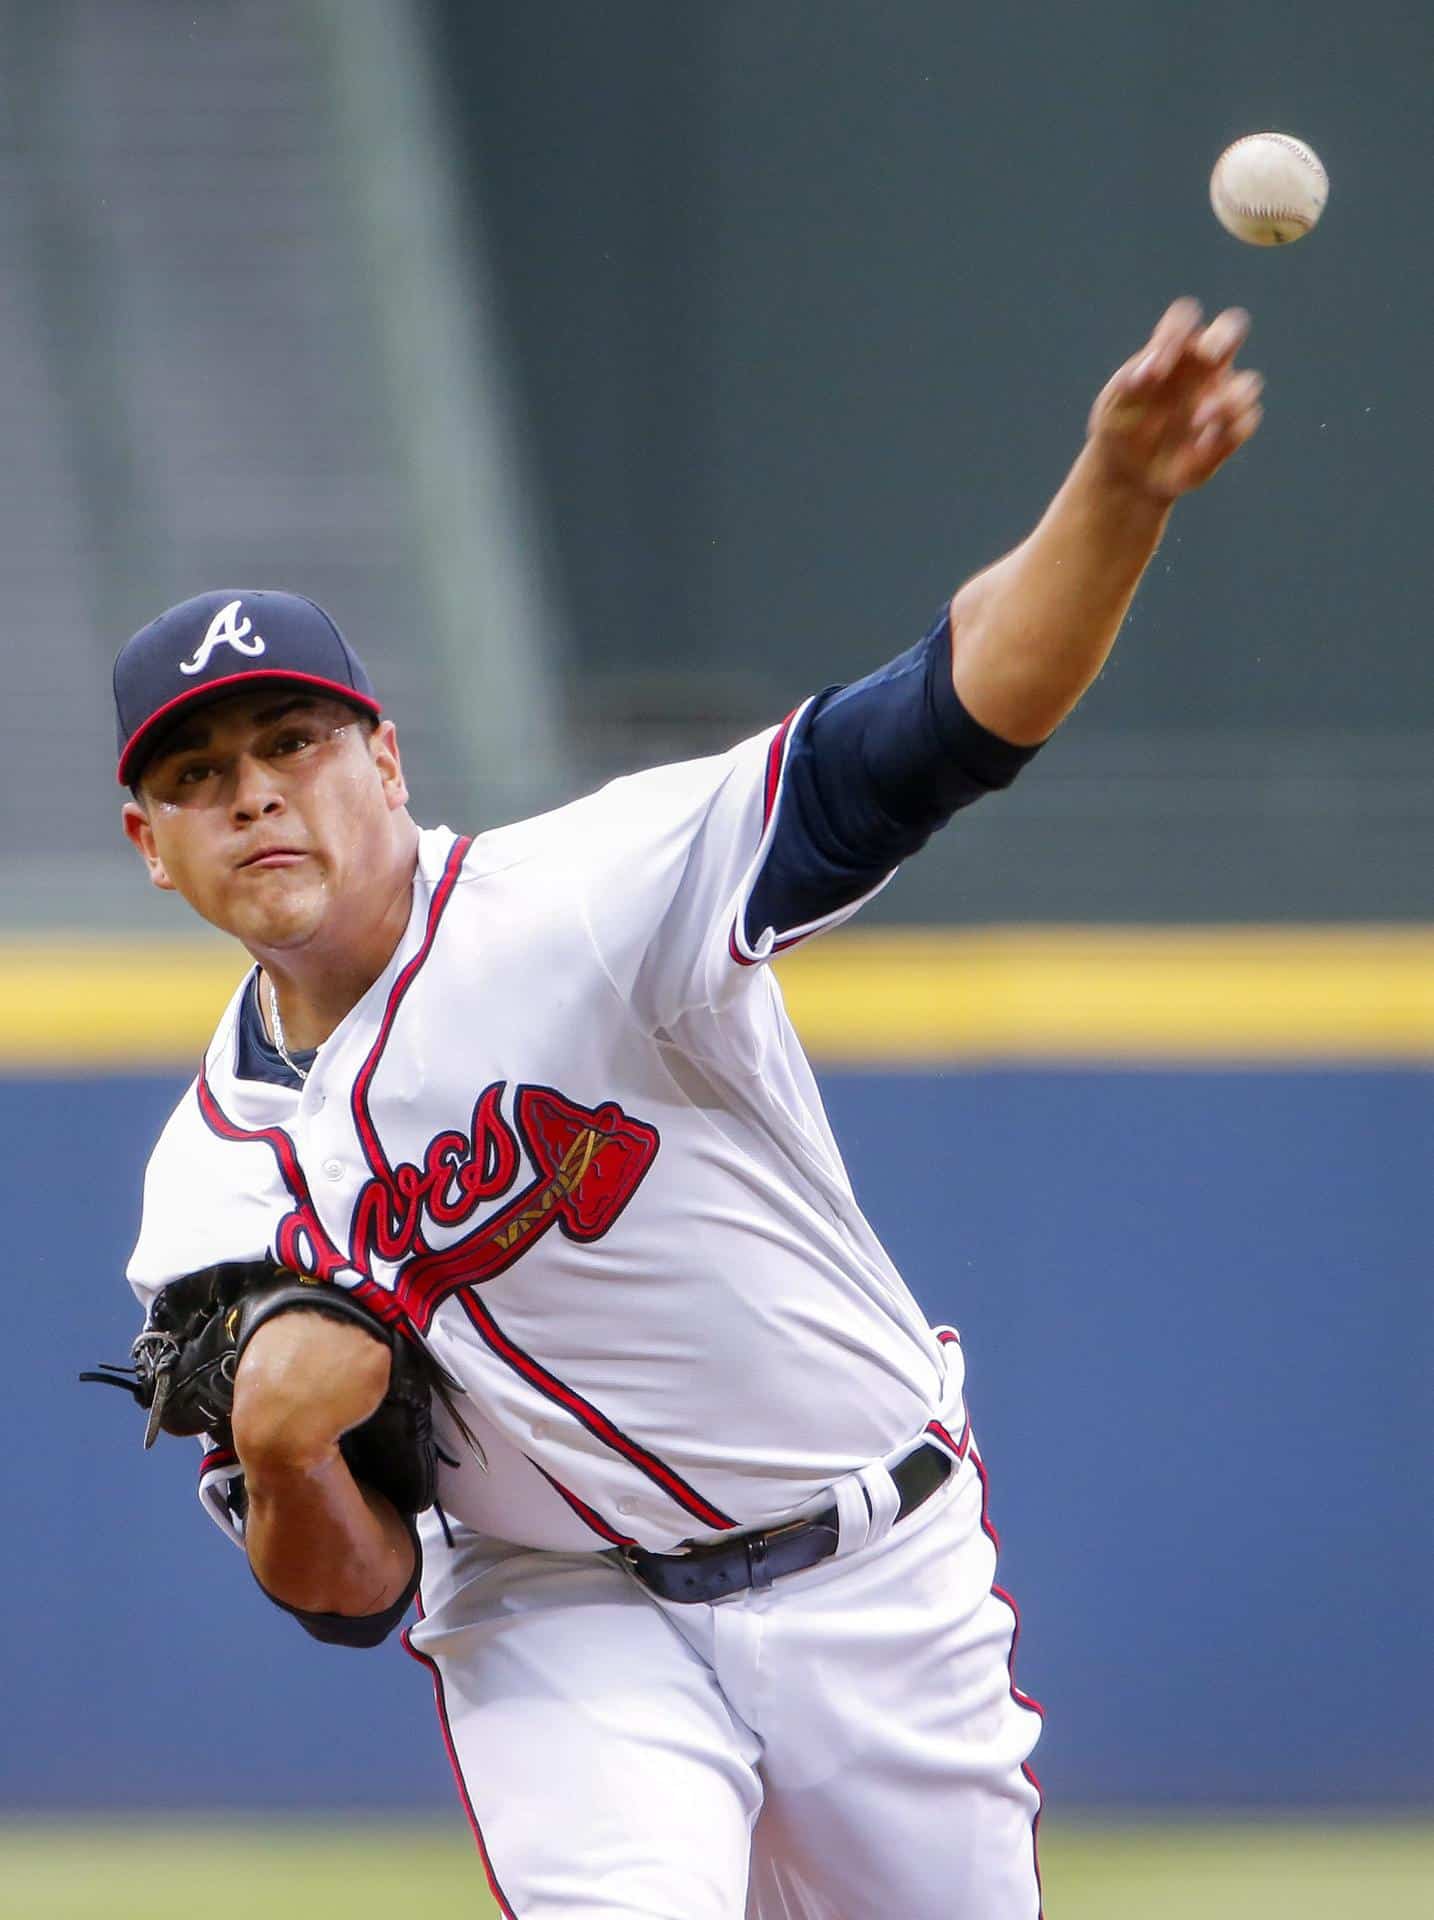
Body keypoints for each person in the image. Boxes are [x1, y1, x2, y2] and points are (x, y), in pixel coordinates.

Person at [113, 298, 1262, 1919]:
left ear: (383, 759)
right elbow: (350, 1600)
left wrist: (1116, 499)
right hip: (556, 1612)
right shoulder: (203, 1195)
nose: (250, 791)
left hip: (872, 1557)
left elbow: (931, 727)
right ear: (151, 845)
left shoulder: (589, 892)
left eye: (290, 739)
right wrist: (289, 1457)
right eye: (194, 775)